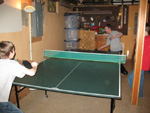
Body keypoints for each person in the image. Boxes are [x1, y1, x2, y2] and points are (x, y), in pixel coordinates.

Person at [0, 41, 38, 113]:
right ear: (11, 52)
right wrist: (34, 66)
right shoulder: (12, 64)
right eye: (13, 50)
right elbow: (31, 73)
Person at [128, 23, 150, 97]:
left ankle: (136, 93)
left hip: (142, 63)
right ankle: (139, 94)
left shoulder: (146, 39)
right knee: (141, 78)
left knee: (130, 77)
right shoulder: (146, 38)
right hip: (143, 63)